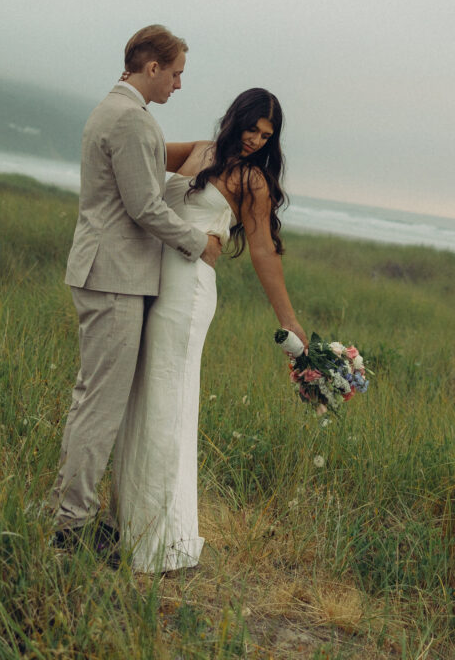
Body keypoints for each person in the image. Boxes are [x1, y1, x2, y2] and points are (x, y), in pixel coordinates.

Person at [112, 88, 308, 573]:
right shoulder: (199, 151)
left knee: (168, 400)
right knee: (142, 397)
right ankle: (126, 523)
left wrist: (290, 321)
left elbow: (263, 252)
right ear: (236, 118)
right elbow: (138, 158)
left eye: (266, 136)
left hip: (188, 291)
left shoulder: (253, 181)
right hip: (153, 281)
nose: (256, 141)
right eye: (252, 129)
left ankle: (159, 541)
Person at [49, 25, 222, 554]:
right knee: (100, 405)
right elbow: (143, 208)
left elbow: (143, 191)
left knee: (95, 400)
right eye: (176, 73)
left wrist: (196, 165)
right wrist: (198, 240)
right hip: (114, 277)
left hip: (109, 272)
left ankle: (71, 512)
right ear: (152, 68)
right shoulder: (129, 120)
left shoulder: (120, 113)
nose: (178, 84)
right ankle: (71, 524)